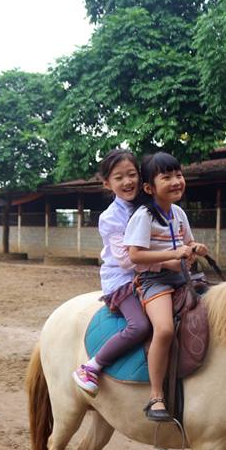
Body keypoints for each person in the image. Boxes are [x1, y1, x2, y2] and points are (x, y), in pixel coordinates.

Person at [124, 152, 208, 421]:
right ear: (149, 188)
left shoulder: (179, 213)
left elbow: (187, 245)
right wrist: (171, 257)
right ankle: (156, 396)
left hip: (182, 277)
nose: (176, 181)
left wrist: (195, 249)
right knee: (164, 329)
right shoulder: (143, 216)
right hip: (154, 281)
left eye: (179, 175)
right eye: (167, 177)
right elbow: (135, 255)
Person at [72, 150, 153, 396]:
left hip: (151, 274)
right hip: (123, 280)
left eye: (131, 174)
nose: (128, 182)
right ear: (107, 183)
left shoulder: (147, 206)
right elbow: (127, 260)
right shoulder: (110, 217)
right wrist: (166, 261)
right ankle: (92, 366)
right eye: (119, 178)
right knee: (139, 326)